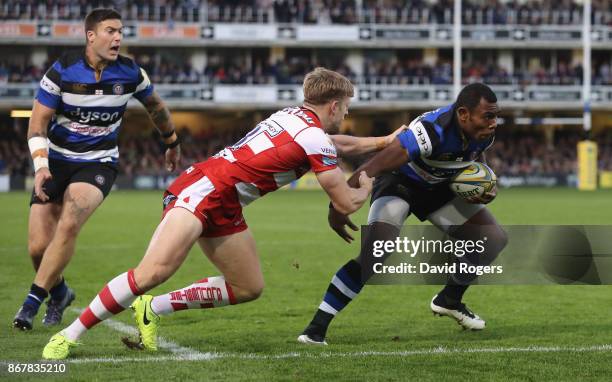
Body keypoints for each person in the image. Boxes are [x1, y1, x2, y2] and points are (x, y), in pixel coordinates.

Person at [42, 67, 406, 360]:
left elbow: (333, 144)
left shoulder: (294, 117)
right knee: (153, 271)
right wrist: (373, 174)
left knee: (248, 286)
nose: (347, 113)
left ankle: (152, 308)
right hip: (202, 191)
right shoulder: (313, 137)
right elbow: (346, 202)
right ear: (332, 106)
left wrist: (381, 141)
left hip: (225, 201)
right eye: (346, 106)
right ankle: (69, 335)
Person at [298, 83, 508, 345]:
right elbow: (373, 166)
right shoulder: (432, 130)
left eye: (495, 115)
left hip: (438, 188)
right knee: (376, 251)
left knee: (493, 238)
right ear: (463, 114)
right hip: (400, 184)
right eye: (488, 115)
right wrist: (337, 207)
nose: (493, 122)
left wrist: (484, 182)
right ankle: (316, 328)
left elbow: (474, 157)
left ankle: (450, 300)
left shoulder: (483, 132)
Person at [13, 8, 181, 331]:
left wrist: (171, 140)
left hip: (99, 163)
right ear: (91, 36)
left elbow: (156, 106)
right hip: (57, 163)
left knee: (70, 220)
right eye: (110, 31)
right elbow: (37, 126)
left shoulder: (131, 73)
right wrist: (40, 168)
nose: (117, 37)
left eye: (120, 31)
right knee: (37, 247)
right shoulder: (62, 71)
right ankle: (60, 293)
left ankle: (31, 302)